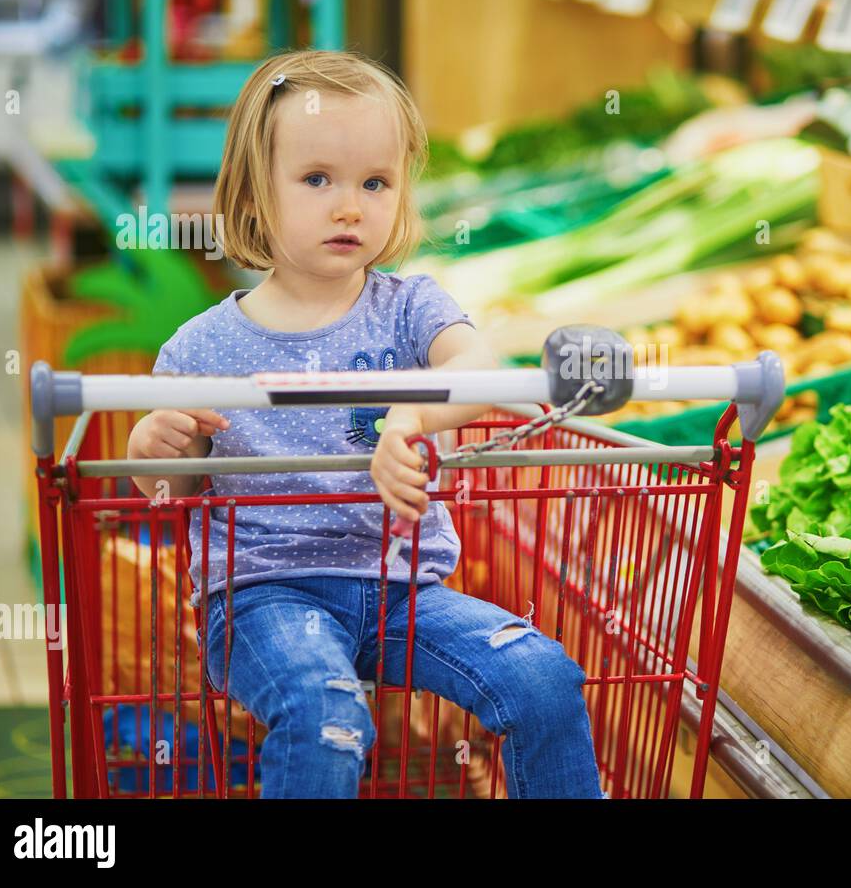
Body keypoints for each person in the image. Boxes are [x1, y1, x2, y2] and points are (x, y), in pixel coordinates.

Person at [125, 50, 605, 799]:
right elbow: (169, 481)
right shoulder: (201, 347)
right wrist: (159, 444)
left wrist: (411, 414)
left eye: (375, 182)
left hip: (403, 588)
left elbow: (484, 367)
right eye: (317, 179)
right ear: (254, 194)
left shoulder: (411, 309)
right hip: (263, 595)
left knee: (542, 676)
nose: (350, 205)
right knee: (326, 714)